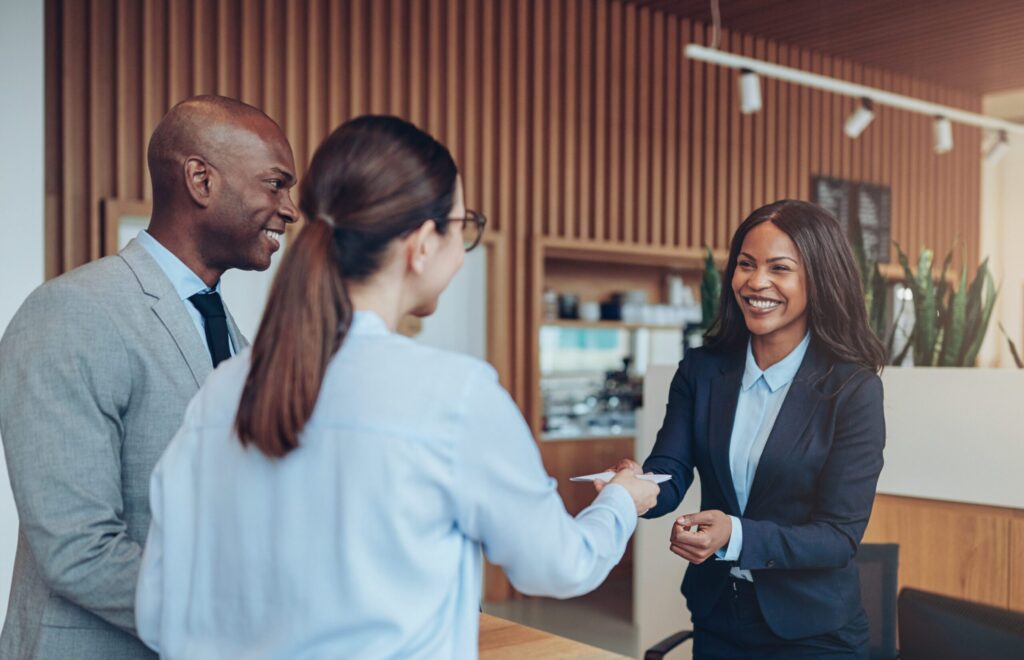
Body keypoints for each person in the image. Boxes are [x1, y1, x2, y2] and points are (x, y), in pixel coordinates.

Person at [134, 115, 659, 659]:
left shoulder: (222, 391)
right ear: (422, 244)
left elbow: (157, 611)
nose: (463, 244)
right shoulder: (454, 396)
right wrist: (622, 500)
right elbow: (559, 564)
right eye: (462, 225)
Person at [0, 95, 298, 659]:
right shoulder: (71, 312)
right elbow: (77, 547)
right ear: (200, 180)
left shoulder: (231, 333)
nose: (290, 208)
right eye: (275, 184)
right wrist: (240, 617)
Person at [615, 200, 886, 658]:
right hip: (719, 614)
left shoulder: (852, 390)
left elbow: (838, 536)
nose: (756, 282)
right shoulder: (701, 371)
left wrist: (734, 535)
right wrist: (632, 488)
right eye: (745, 264)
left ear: (818, 280)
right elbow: (671, 468)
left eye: (779, 268)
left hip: (814, 632)